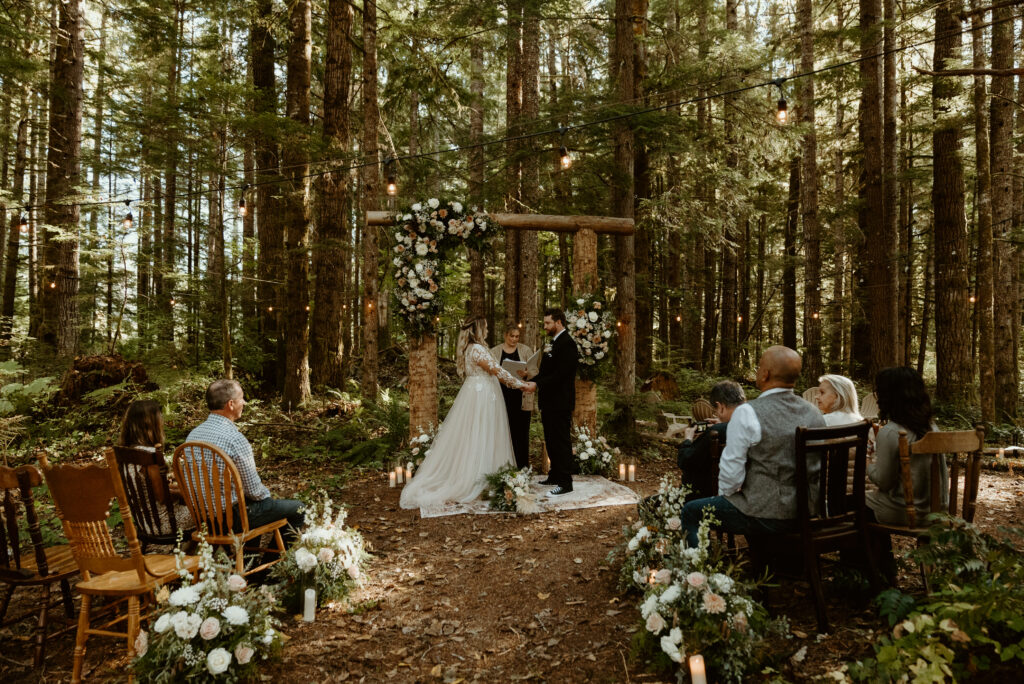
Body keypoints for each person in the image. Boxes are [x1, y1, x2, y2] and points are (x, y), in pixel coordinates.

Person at [681, 346, 825, 548]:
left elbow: (731, 473)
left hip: (764, 514)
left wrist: (725, 498)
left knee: (690, 511)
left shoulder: (748, 412)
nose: (757, 372)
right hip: (809, 511)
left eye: (759, 367)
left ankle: (696, 572)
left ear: (765, 374)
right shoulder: (814, 413)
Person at [400, 318, 536, 510]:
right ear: (479, 329)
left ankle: (486, 476)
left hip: (480, 394)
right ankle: (476, 479)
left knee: (482, 435)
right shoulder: (477, 349)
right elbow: (497, 370)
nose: (487, 330)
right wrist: (522, 385)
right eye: (486, 327)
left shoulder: (473, 348)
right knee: (481, 435)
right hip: (481, 398)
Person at [186, 379, 305, 545]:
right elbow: (255, 491)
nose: (244, 403)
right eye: (242, 398)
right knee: (298, 508)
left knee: (250, 505)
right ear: (231, 404)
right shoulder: (234, 439)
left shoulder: (192, 436)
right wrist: (270, 500)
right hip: (232, 520)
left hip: (205, 519)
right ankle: (270, 567)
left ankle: (249, 562)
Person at [866, 367, 942, 525]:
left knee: (849, 503)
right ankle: (878, 550)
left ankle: (872, 550)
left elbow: (884, 482)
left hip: (903, 511)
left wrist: (867, 464)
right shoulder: (933, 428)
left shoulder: (891, 432)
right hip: (937, 512)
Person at [119, 399, 193, 531]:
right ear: (151, 424)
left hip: (144, 524)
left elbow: (148, 490)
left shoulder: (125, 452)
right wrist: (183, 493)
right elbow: (162, 498)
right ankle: (221, 548)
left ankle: (189, 549)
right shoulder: (149, 456)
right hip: (165, 523)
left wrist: (174, 489)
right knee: (210, 509)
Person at [528, 308, 580, 496]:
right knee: (550, 440)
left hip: (560, 401)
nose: (545, 326)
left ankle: (566, 482)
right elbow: (547, 371)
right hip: (549, 401)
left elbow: (561, 375)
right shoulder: (553, 343)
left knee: (561, 441)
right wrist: (532, 379)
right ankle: (555, 474)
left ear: (559, 322)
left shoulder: (567, 344)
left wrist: (537, 384)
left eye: (548, 323)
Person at [677, 381, 746, 502]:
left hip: (701, 498)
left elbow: (686, 461)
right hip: (743, 496)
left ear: (721, 407)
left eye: (716, 410)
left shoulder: (716, 432)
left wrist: (687, 439)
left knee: (645, 504)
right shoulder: (750, 426)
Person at [490, 324, 535, 470]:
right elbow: (489, 373)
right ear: (505, 335)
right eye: (511, 336)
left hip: (521, 397)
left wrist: (527, 374)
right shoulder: (495, 351)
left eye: (517, 336)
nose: (514, 339)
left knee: (521, 434)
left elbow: (534, 371)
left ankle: (522, 468)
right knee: (503, 432)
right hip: (502, 396)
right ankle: (503, 468)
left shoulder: (525, 350)